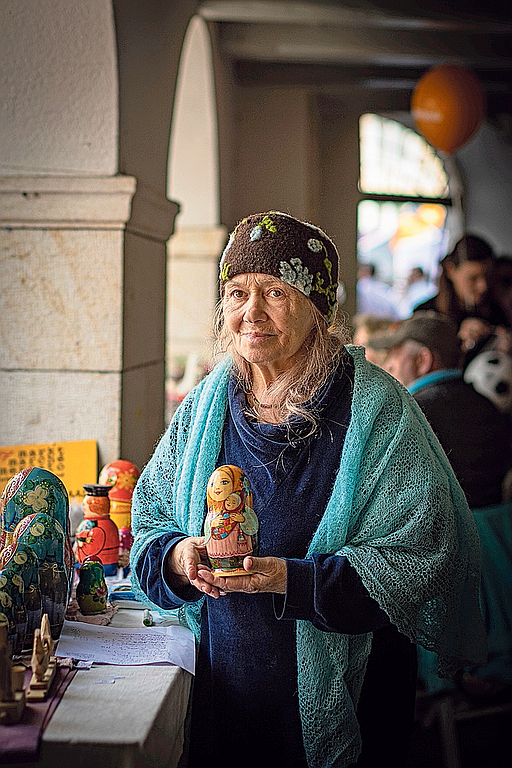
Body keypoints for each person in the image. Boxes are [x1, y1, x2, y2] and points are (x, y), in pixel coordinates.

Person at [130, 212, 486, 768]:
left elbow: (423, 560)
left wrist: (289, 581)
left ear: (318, 308)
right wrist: (179, 558)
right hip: (223, 698)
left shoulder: (378, 414)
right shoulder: (204, 407)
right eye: (237, 292)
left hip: (354, 698)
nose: (251, 312)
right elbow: (148, 524)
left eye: (275, 292)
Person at [371, 311, 512, 689]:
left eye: (395, 356)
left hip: (442, 597)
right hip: (499, 586)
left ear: (422, 360)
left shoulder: (410, 415)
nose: (387, 365)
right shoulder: (490, 409)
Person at [414, 234, 510, 357]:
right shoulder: (424, 314)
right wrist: (457, 344)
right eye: (473, 278)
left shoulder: (496, 312)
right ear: (451, 270)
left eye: (487, 276)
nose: (483, 286)